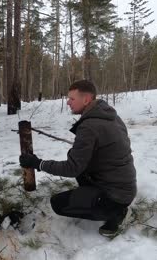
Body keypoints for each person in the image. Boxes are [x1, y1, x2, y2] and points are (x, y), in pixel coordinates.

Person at [19, 80, 137, 237]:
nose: (68, 102)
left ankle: (115, 213)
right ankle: (98, 199)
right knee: (78, 162)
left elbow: (71, 167)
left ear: (86, 99)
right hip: (125, 186)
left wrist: (38, 163)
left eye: (72, 99)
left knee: (58, 203)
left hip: (116, 195)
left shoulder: (89, 126)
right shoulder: (110, 116)